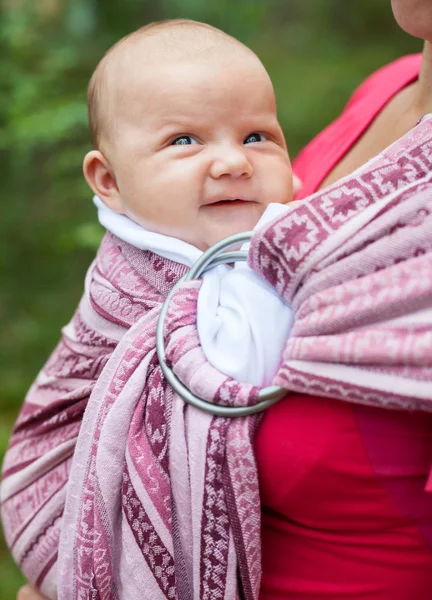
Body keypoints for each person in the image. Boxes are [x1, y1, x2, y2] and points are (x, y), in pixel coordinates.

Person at [12, 1, 432, 598]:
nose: (234, 161)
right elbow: (87, 375)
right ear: (109, 181)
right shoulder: (387, 90)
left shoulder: (271, 224)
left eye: (258, 136)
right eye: (184, 140)